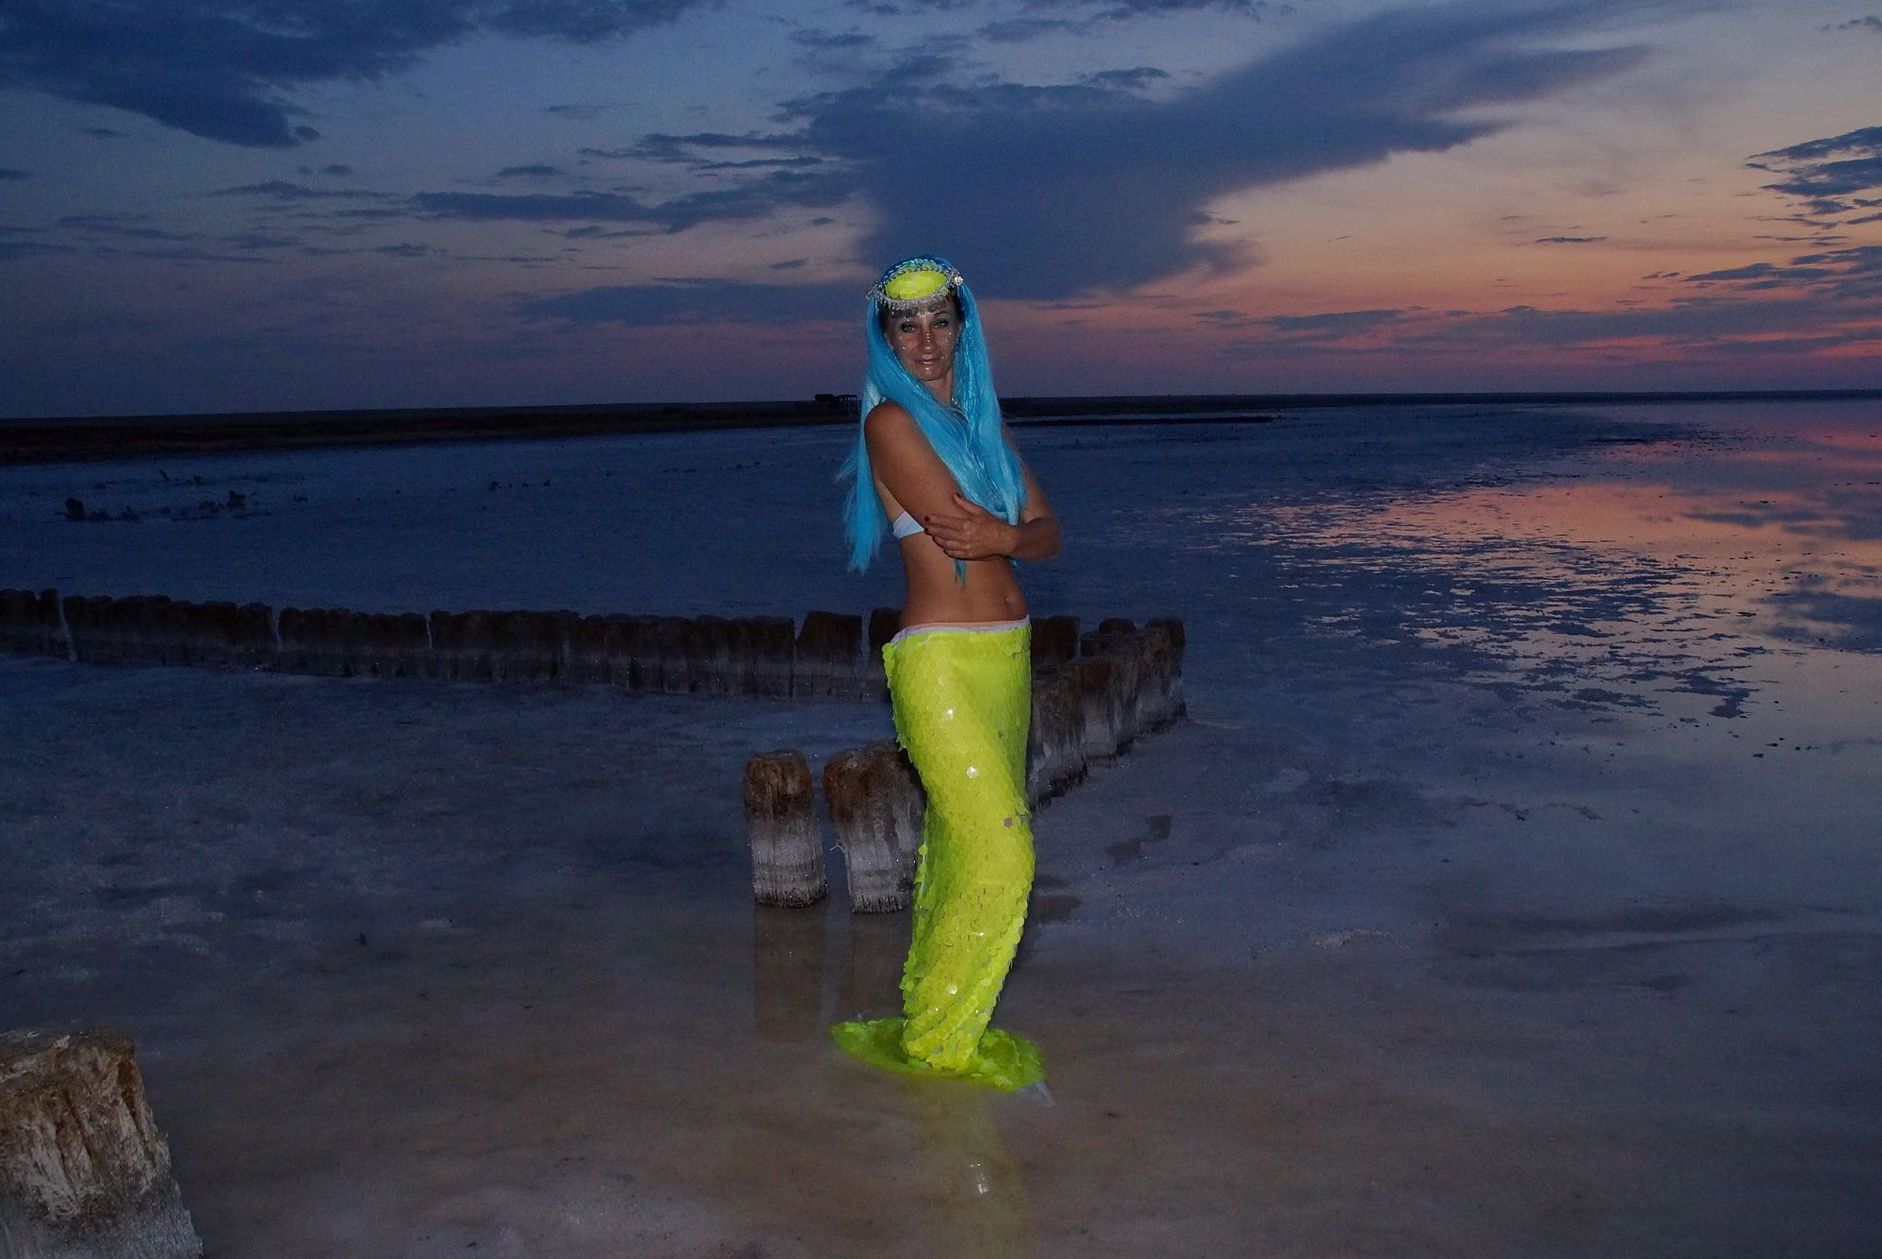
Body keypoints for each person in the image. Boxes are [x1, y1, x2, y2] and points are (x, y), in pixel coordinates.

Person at [829, 255, 1061, 1090]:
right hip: (941, 664)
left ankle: (933, 1009)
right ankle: (940, 1041)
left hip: (1009, 656)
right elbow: (965, 527)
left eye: (940, 320)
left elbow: (1048, 533)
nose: (925, 340)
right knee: (1004, 854)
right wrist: (1011, 532)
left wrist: (1011, 534)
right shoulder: (891, 423)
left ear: (964, 327)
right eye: (907, 324)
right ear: (886, 336)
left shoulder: (985, 425)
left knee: (964, 847)